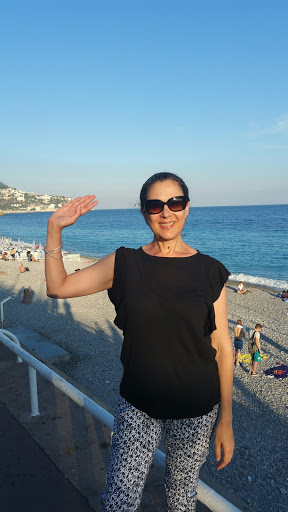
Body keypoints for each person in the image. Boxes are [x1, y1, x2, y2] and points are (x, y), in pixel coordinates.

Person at [45, 172, 234, 512]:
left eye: (175, 203)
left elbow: (222, 346)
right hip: (138, 404)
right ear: (145, 212)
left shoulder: (210, 271)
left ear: (187, 208)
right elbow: (58, 287)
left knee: (180, 499)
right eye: (155, 205)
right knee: (120, 499)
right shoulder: (124, 263)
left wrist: (226, 421)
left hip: (196, 408)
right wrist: (54, 229)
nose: (166, 212)